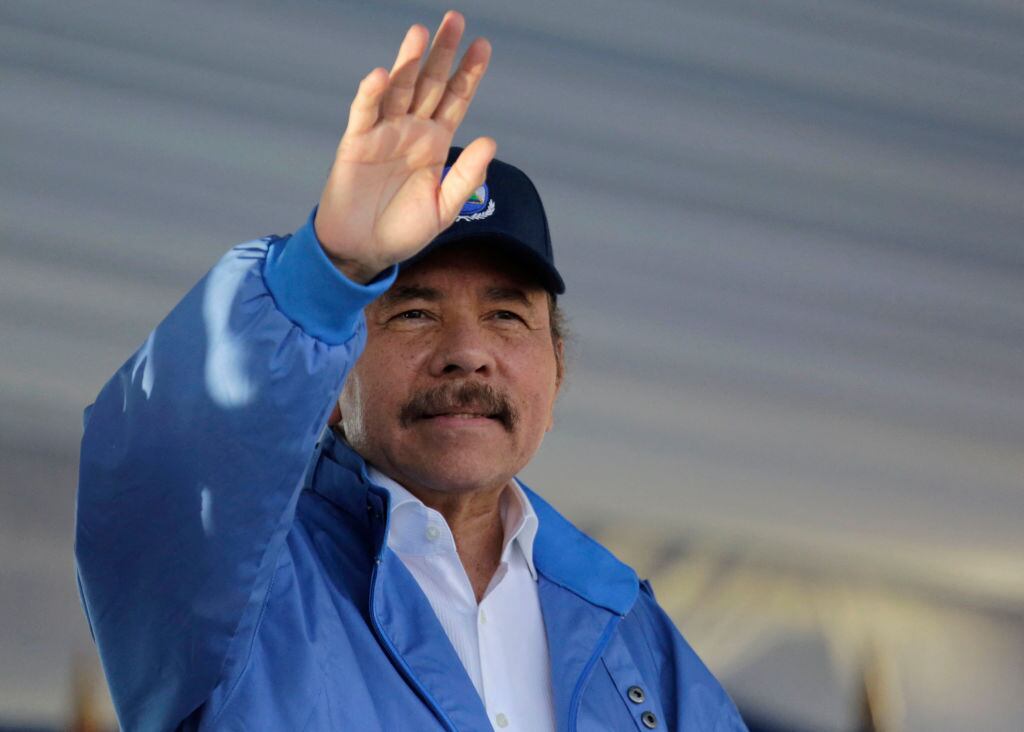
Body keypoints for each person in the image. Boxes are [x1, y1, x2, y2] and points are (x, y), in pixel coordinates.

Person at [75, 11, 747, 732]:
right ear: (332, 384)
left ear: (556, 381)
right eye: (414, 313)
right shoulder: (244, 587)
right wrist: (326, 271)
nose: (466, 351)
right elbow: (163, 469)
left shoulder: (626, 628)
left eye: (507, 317)